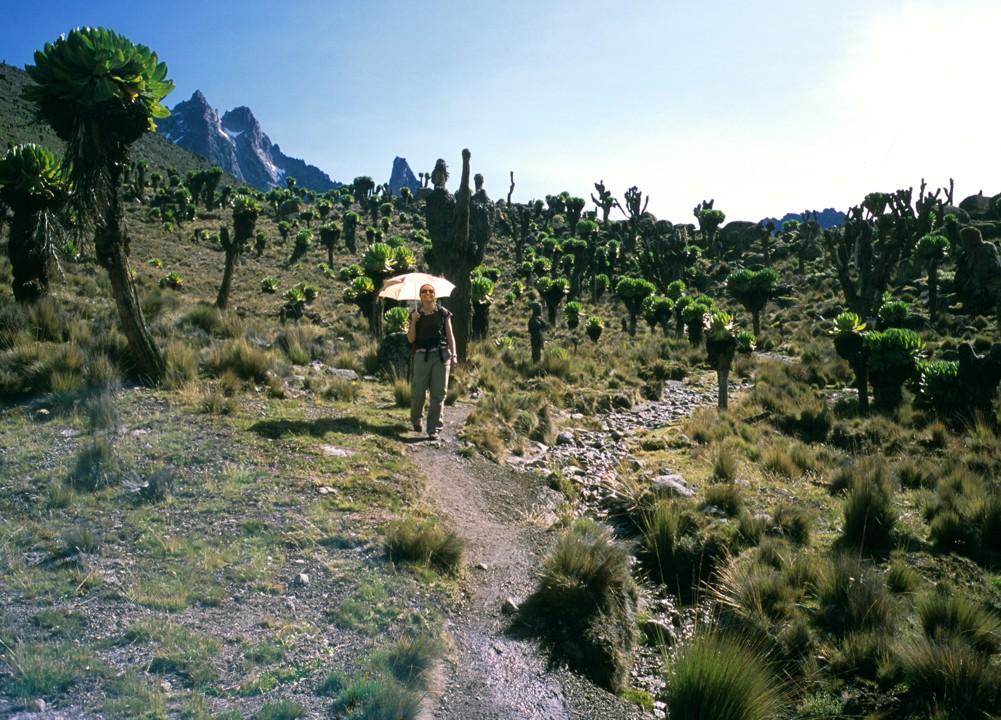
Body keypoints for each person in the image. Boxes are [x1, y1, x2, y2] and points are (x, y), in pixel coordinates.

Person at [407, 284, 457, 439]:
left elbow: (450, 335)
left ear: (435, 294)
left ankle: (434, 427)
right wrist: (414, 321)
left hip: (441, 355)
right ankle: (416, 419)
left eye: (431, 291)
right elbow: (411, 339)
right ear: (420, 296)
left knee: (438, 393)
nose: (427, 293)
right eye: (424, 291)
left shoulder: (443, 313)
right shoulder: (415, 314)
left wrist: (454, 354)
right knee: (418, 391)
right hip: (421, 356)